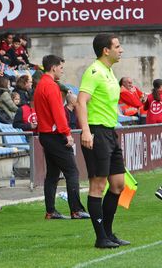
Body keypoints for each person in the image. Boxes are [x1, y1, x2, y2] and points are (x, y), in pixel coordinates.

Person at [77, 33, 130, 249]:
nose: (121, 49)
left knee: (118, 184)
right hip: (97, 133)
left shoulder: (108, 71)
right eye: (117, 46)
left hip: (110, 132)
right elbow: (81, 103)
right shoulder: (94, 71)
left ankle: (108, 233)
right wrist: (86, 132)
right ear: (105, 50)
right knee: (97, 186)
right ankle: (101, 237)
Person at [33, 54, 89, 220]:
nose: (62, 71)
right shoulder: (51, 86)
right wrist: (67, 133)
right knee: (72, 172)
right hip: (55, 135)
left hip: (45, 134)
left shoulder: (40, 85)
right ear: (54, 67)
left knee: (52, 175)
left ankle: (51, 211)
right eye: (61, 68)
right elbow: (58, 113)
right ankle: (76, 210)